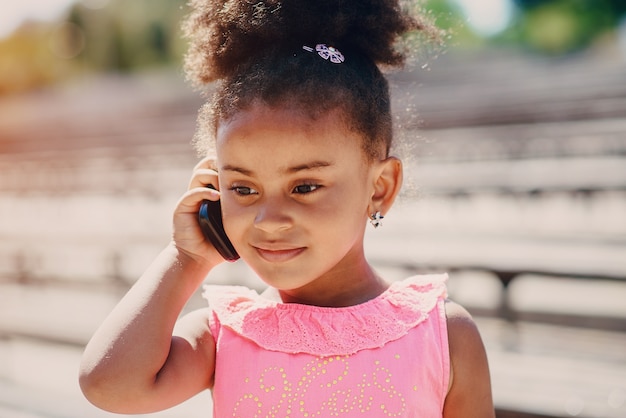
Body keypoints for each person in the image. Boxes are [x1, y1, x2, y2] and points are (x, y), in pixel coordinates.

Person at [79, 0, 495, 416]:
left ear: (380, 187)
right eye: (242, 188)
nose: (269, 220)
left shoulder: (442, 334)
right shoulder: (225, 332)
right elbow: (109, 385)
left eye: (305, 186)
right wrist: (187, 257)